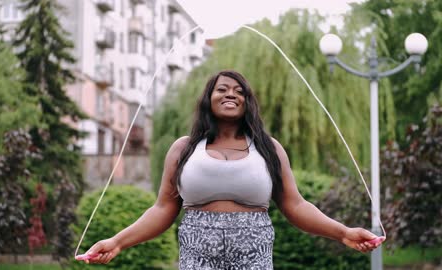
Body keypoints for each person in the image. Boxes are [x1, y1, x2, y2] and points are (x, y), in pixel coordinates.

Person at [82, 70, 383, 269]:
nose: (231, 94)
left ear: (247, 102)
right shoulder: (184, 148)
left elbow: (295, 205)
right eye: (222, 89)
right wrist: (117, 241)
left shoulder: (269, 148)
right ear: (208, 99)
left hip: (254, 247)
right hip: (197, 246)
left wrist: (342, 232)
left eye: (239, 91)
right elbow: (163, 209)